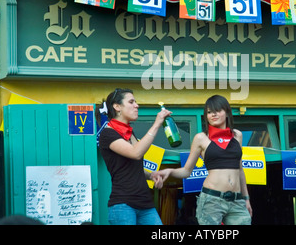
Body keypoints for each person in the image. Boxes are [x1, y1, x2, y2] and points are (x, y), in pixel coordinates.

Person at [156, 95, 252, 225]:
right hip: (212, 200)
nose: (213, 114)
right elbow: (186, 171)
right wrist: (169, 171)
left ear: (227, 112)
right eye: (209, 112)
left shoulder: (237, 136)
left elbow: (240, 169)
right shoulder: (201, 138)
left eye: (217, 110)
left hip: (236, 200)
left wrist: (246, 198)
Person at [95, 88, 171, 225]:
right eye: (131, 102)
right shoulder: (108, 134)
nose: (137, 105)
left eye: (136, 102)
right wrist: (157, 123)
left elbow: (132, 168)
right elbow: (136, 153)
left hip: (145, 204)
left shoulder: (129, 132)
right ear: (117, 107)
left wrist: (151, 175)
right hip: (123, 205)